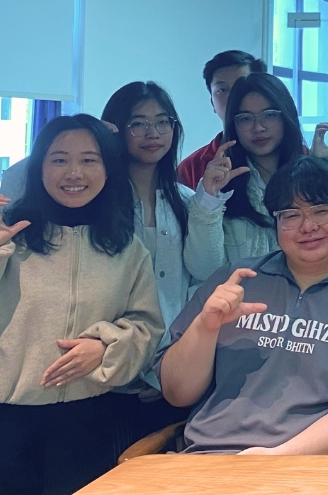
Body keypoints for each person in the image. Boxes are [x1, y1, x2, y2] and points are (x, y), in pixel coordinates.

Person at [155, 156, 328, 455]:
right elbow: (177, 393)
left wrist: (278, 457)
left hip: (304, 463)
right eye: (290, 215)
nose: (307, 226)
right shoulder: (236, 280)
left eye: (322, 211)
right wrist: (205, 327)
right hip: (205, 457)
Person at [0, 115, 163, 494]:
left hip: (88, 417)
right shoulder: (6, 233)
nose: (74, 172)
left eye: (89, 160)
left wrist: (105, 346)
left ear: (107, 169)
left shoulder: (126, 247)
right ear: (40, 167)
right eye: (60, 159)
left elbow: (147, 325)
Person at [99, 82, 197, 446]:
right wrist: (93, 138)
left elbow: (195, 286)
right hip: (107, 376)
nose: (152, 133)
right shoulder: (98, 203)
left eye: (162, 122)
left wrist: (172, 366)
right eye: (137, 123)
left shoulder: (187, 202)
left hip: (173, 375)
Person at [184, 72, 307, 283]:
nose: (258, 127)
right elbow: (204, 270)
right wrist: (208, 200)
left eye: (269, 115)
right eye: (245, 118)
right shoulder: (222, 185)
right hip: (238, 302)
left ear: (286, 116)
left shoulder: (309, 179)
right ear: (233, 125)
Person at [177, 50, 267, 189]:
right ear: (212, 103)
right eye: (222, 90)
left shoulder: (296, 156)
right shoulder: (191, 168)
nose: (233, 97)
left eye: (241, 86)